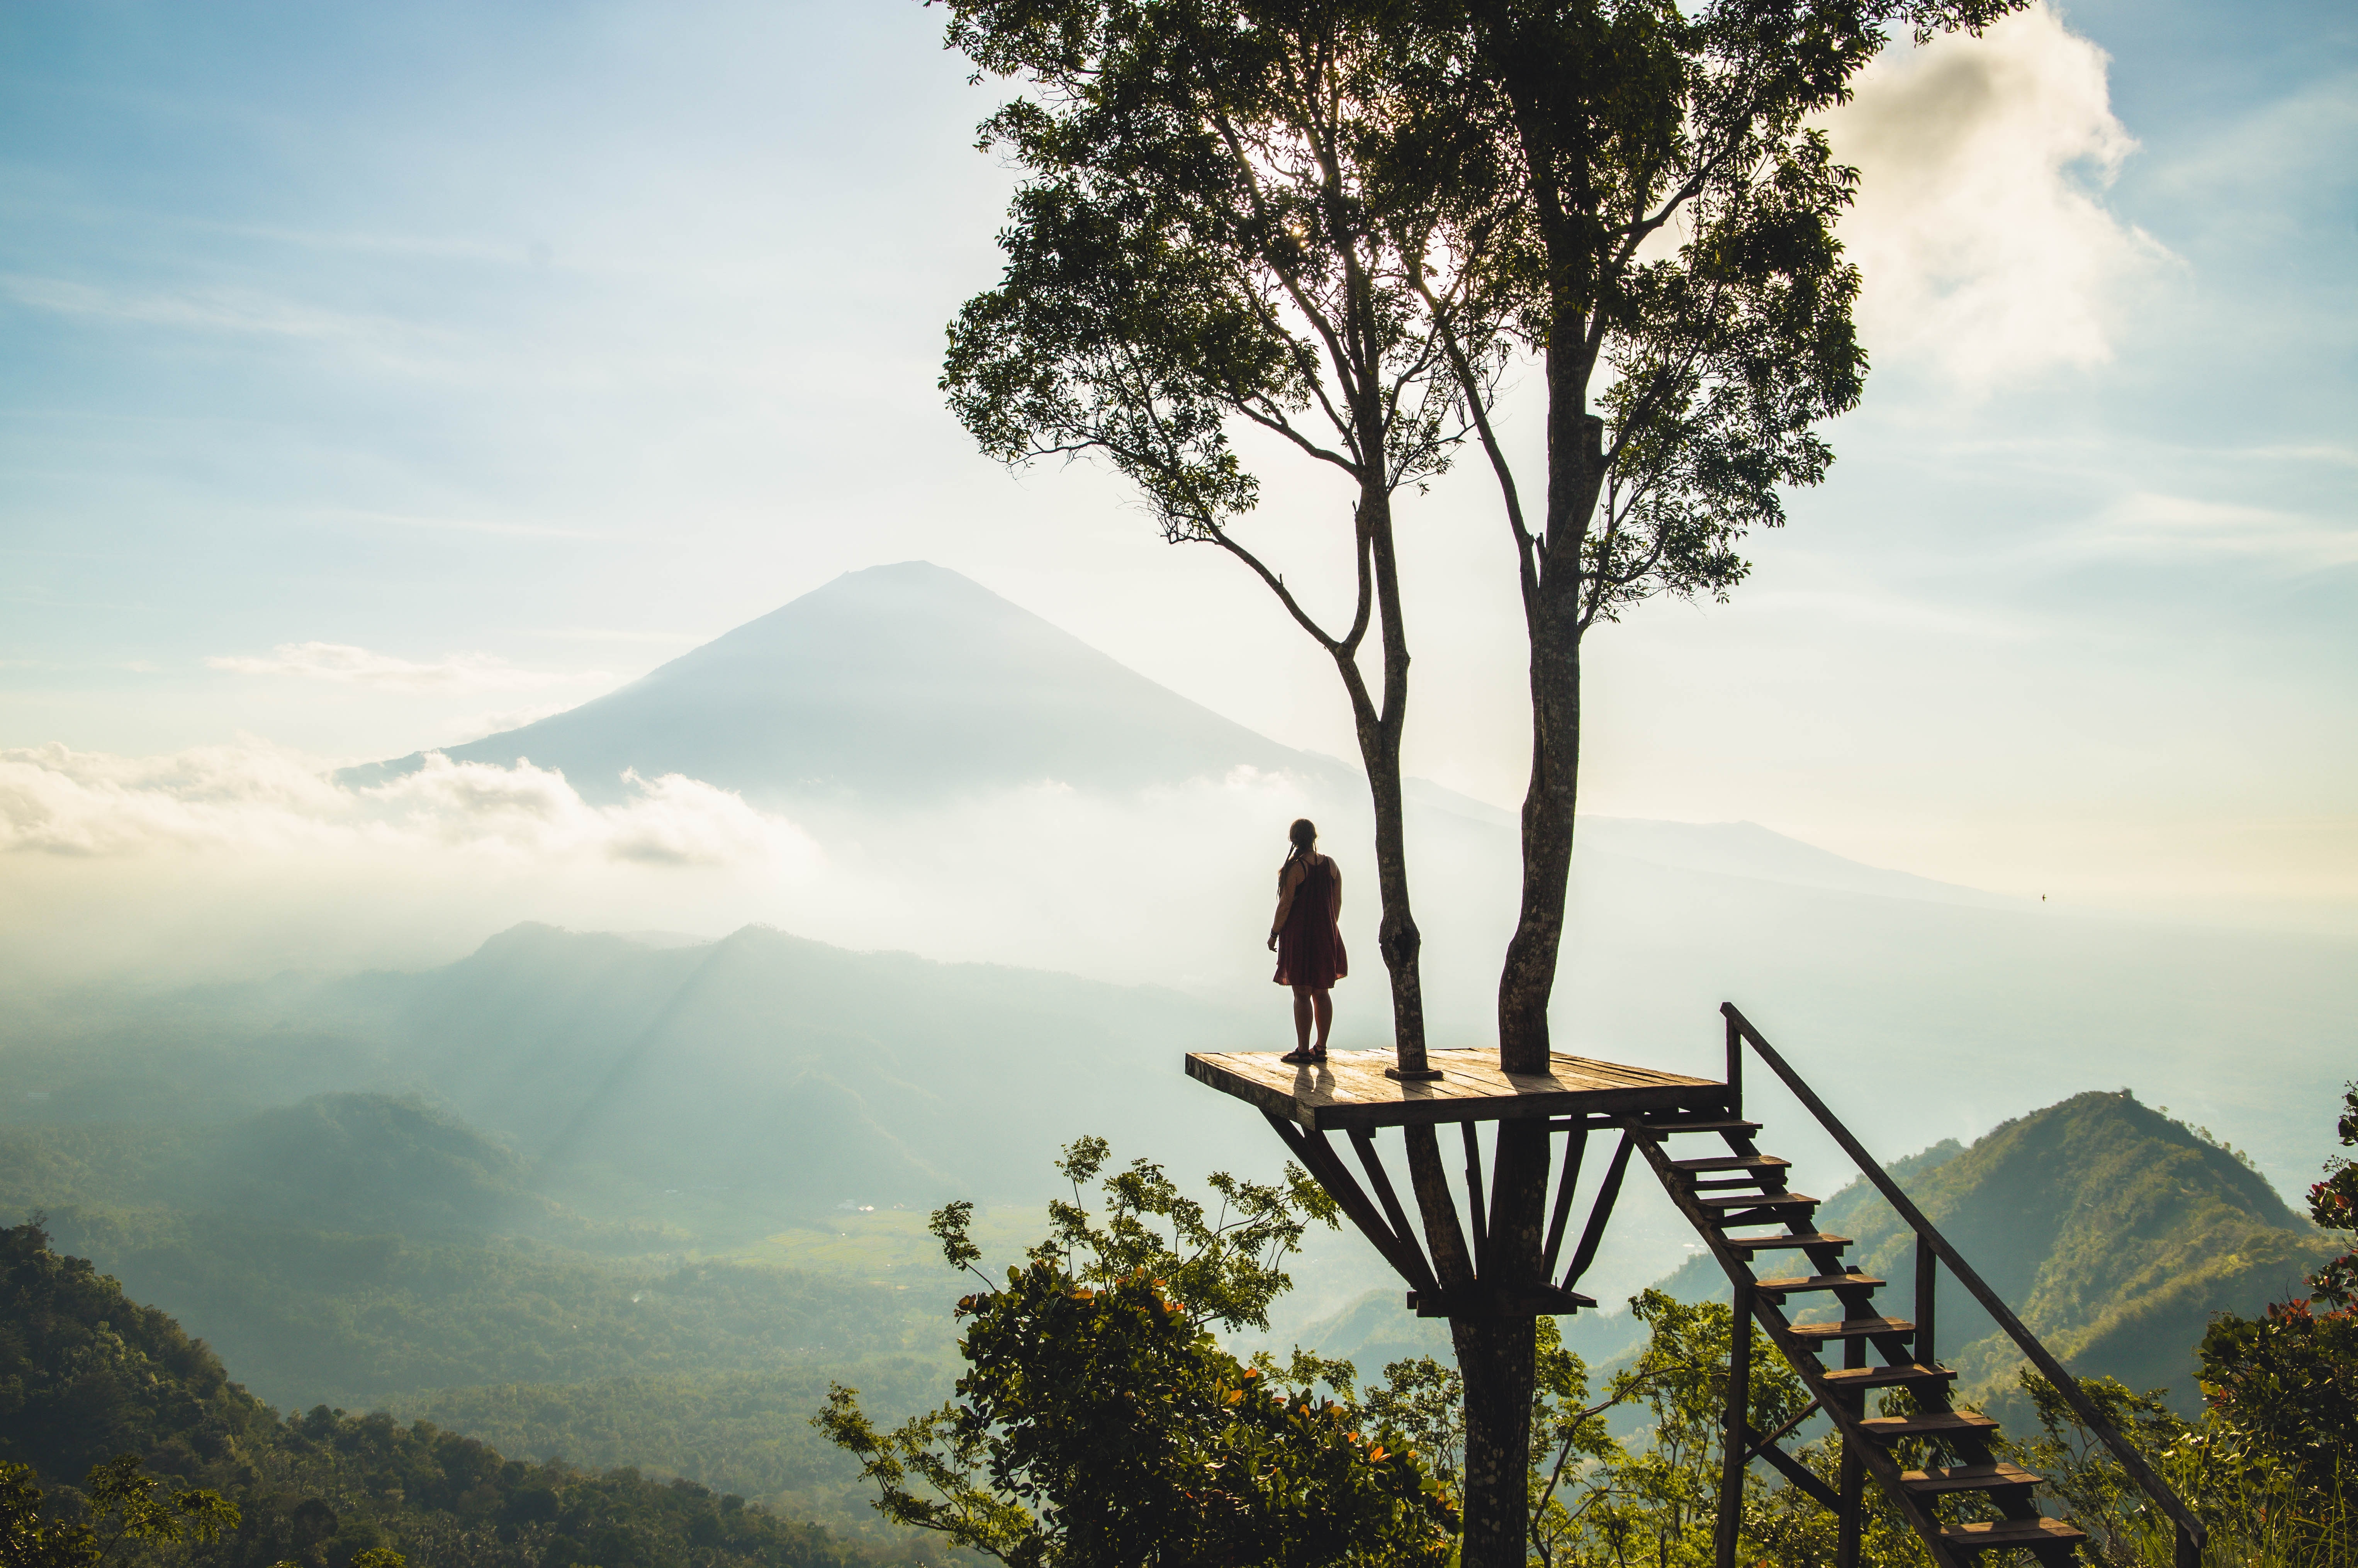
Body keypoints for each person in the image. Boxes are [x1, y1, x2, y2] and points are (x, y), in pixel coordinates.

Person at [1267, 818, 1346, 1063]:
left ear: (1294, 840)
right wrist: (1329, 928)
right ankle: (1320, 1048)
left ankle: (1303, 1051)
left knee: (1301, 992)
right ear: (1314, 838)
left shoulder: (1296, 868)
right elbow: (1337, 902)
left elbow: (1286, 904)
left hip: (1300, 937)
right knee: (1321, 991)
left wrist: (1274, 933)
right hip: (1326, 935)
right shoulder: (1331, 866)